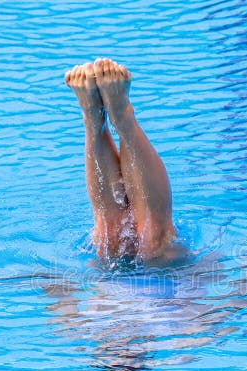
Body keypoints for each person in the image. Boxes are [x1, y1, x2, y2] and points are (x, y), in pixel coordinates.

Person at [65, 58, 175, 262]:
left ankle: (94, 117)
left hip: (105, 291)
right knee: (152, 241)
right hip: (166, 289)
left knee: (109, 237)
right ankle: (120, 116)